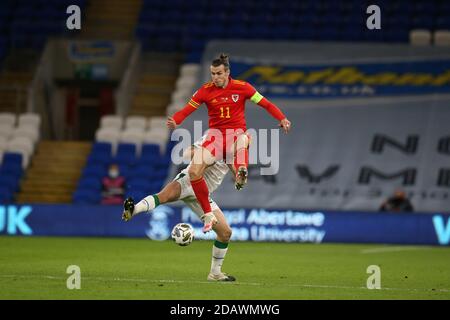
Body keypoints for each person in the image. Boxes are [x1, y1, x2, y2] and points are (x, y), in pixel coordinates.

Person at [166, 53, 291, 233]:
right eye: (212, 74)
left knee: (244, 139)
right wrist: (176, 120)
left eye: (218, 73)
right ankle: (211, 210)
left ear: (227, 73)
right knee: (194, 170)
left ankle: (241, 172)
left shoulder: (243, 88)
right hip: (215, 138)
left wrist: (282, 118)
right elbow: (187, 109)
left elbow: (266, 104)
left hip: (235, 134)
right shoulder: (205, 90)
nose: (215, 77)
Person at [122, 137, 236, 281]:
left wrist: (238, 175)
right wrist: (207, 156)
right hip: (188, 182)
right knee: (162, 196)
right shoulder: (209, 139)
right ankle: (134, 210)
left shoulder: (233, 148)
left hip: (202, 196)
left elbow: (235, 165)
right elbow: (188, 152)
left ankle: (214, 273)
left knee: (225, 233)